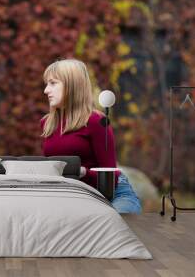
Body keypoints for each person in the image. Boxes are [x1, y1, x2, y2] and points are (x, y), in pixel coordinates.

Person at [40, 59, 141, 214]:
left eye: (53, 83)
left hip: (114, 193)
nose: (46, 90)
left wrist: (82, 172)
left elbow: (110, 176)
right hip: (76, 195)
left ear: (71, 85)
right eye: (47, 84)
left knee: (109, 224)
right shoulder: (47, 123)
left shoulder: (96, 122)